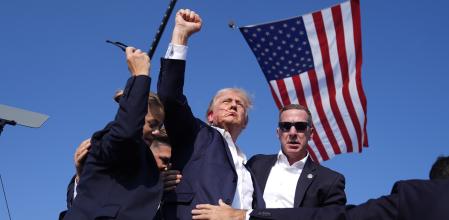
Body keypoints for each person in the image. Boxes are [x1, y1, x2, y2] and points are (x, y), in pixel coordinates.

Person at [157, 8, 265, 220]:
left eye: (239, 104)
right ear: (210, 115)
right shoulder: (197, 135)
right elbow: (169, 97)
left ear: (246, 122)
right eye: (226, 102)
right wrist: (180, 35)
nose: (233, 106)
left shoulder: (248, 168)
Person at [63, 47, 166, 220]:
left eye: (160, 125)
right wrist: (140, 75)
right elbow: (126, 132)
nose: (156, 132)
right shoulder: (112, 141)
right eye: (152, 124)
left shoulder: (146, 170)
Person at [247, 104, 346, 208]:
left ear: (311, 133)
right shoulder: (256, 165)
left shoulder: (329, 181)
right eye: (286, 126)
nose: (293, 133)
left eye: (300, 127)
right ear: (278, 133)